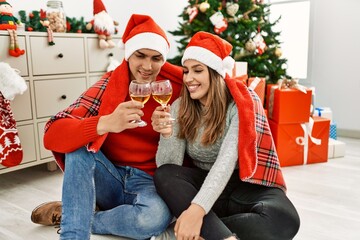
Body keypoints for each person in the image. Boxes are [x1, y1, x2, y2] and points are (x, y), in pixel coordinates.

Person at [30, 14, 184, 240]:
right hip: (108, 176)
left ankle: (74, 213)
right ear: (128, 54)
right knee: (77, 144)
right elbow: (53, 133)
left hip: (149, 182)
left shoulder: (174, 88)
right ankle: (73, 234)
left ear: (164, 60)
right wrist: (104, 123)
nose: (147, 66)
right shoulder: (110, 85)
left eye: (156, 58)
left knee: (152, 219)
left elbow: (218, 87)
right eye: (140, 56)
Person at [151, 31, 300, 240]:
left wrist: (196, 211)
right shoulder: (179, 107)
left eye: (197, 70)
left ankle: (189, 232)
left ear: (215, 73)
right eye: (186, 71)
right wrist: (167, 135)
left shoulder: (240, 105)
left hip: (243, 185)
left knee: (285, 219)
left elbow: (226, 162)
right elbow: (170, 164)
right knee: (165, 175)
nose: (188, 78)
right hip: (204, 184)